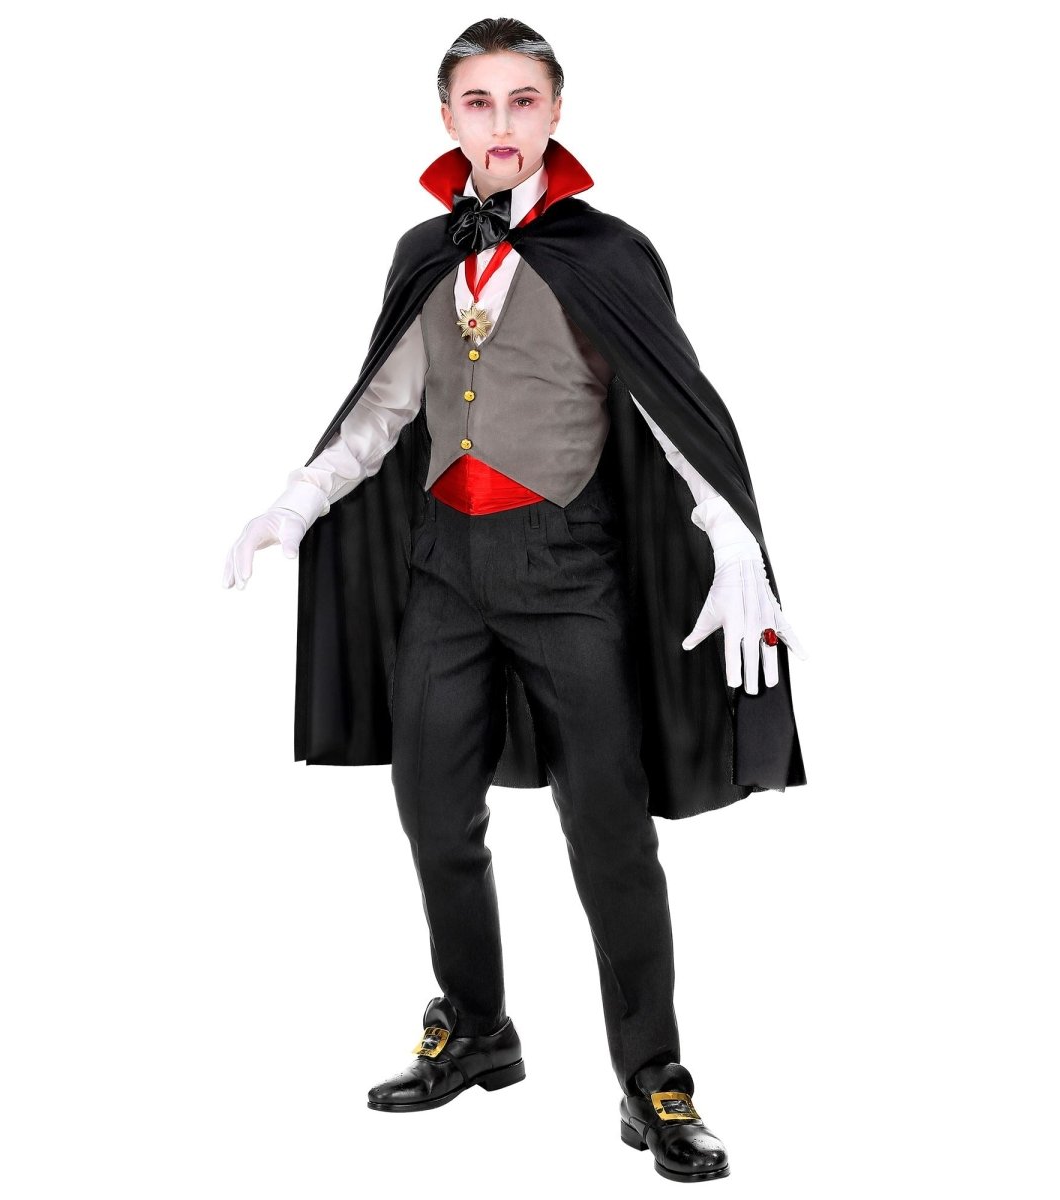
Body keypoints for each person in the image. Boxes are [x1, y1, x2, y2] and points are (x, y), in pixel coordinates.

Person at [224, 16, 807, 1183]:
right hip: (443, 571)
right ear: (447, 116)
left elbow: (670, 406)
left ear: (555, 111)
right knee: (432, 808)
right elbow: (386, 406)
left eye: (523, 100)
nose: (500, 123)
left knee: (609, 830)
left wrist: (732, 530)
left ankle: (654, 1076)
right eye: (478, 102)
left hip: (569, 572)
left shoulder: (609, 252)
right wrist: (297, 496)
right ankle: (477, 1025)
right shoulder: (424, 251)